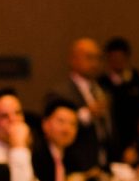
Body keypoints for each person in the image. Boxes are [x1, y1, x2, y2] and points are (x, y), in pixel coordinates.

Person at [45, 38, 115, 172]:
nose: (94, 63)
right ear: (73, 59)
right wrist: (87, 113)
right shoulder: (61, 92)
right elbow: (55, 129)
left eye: (98, 58)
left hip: (104, 161)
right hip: (75, 163)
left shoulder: (102, 89)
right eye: (89, 57)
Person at [99, 37, 139, 154]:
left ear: (127, 57)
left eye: (121, 57)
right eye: (114, 58)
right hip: (114, 138)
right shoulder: (101, 83)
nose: (117, 61)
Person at [32, 98, 80, 181]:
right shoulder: (34, 154)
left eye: (73, 124)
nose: (67, 129)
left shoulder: (73, 157)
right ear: (45, 124)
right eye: (61, 122)